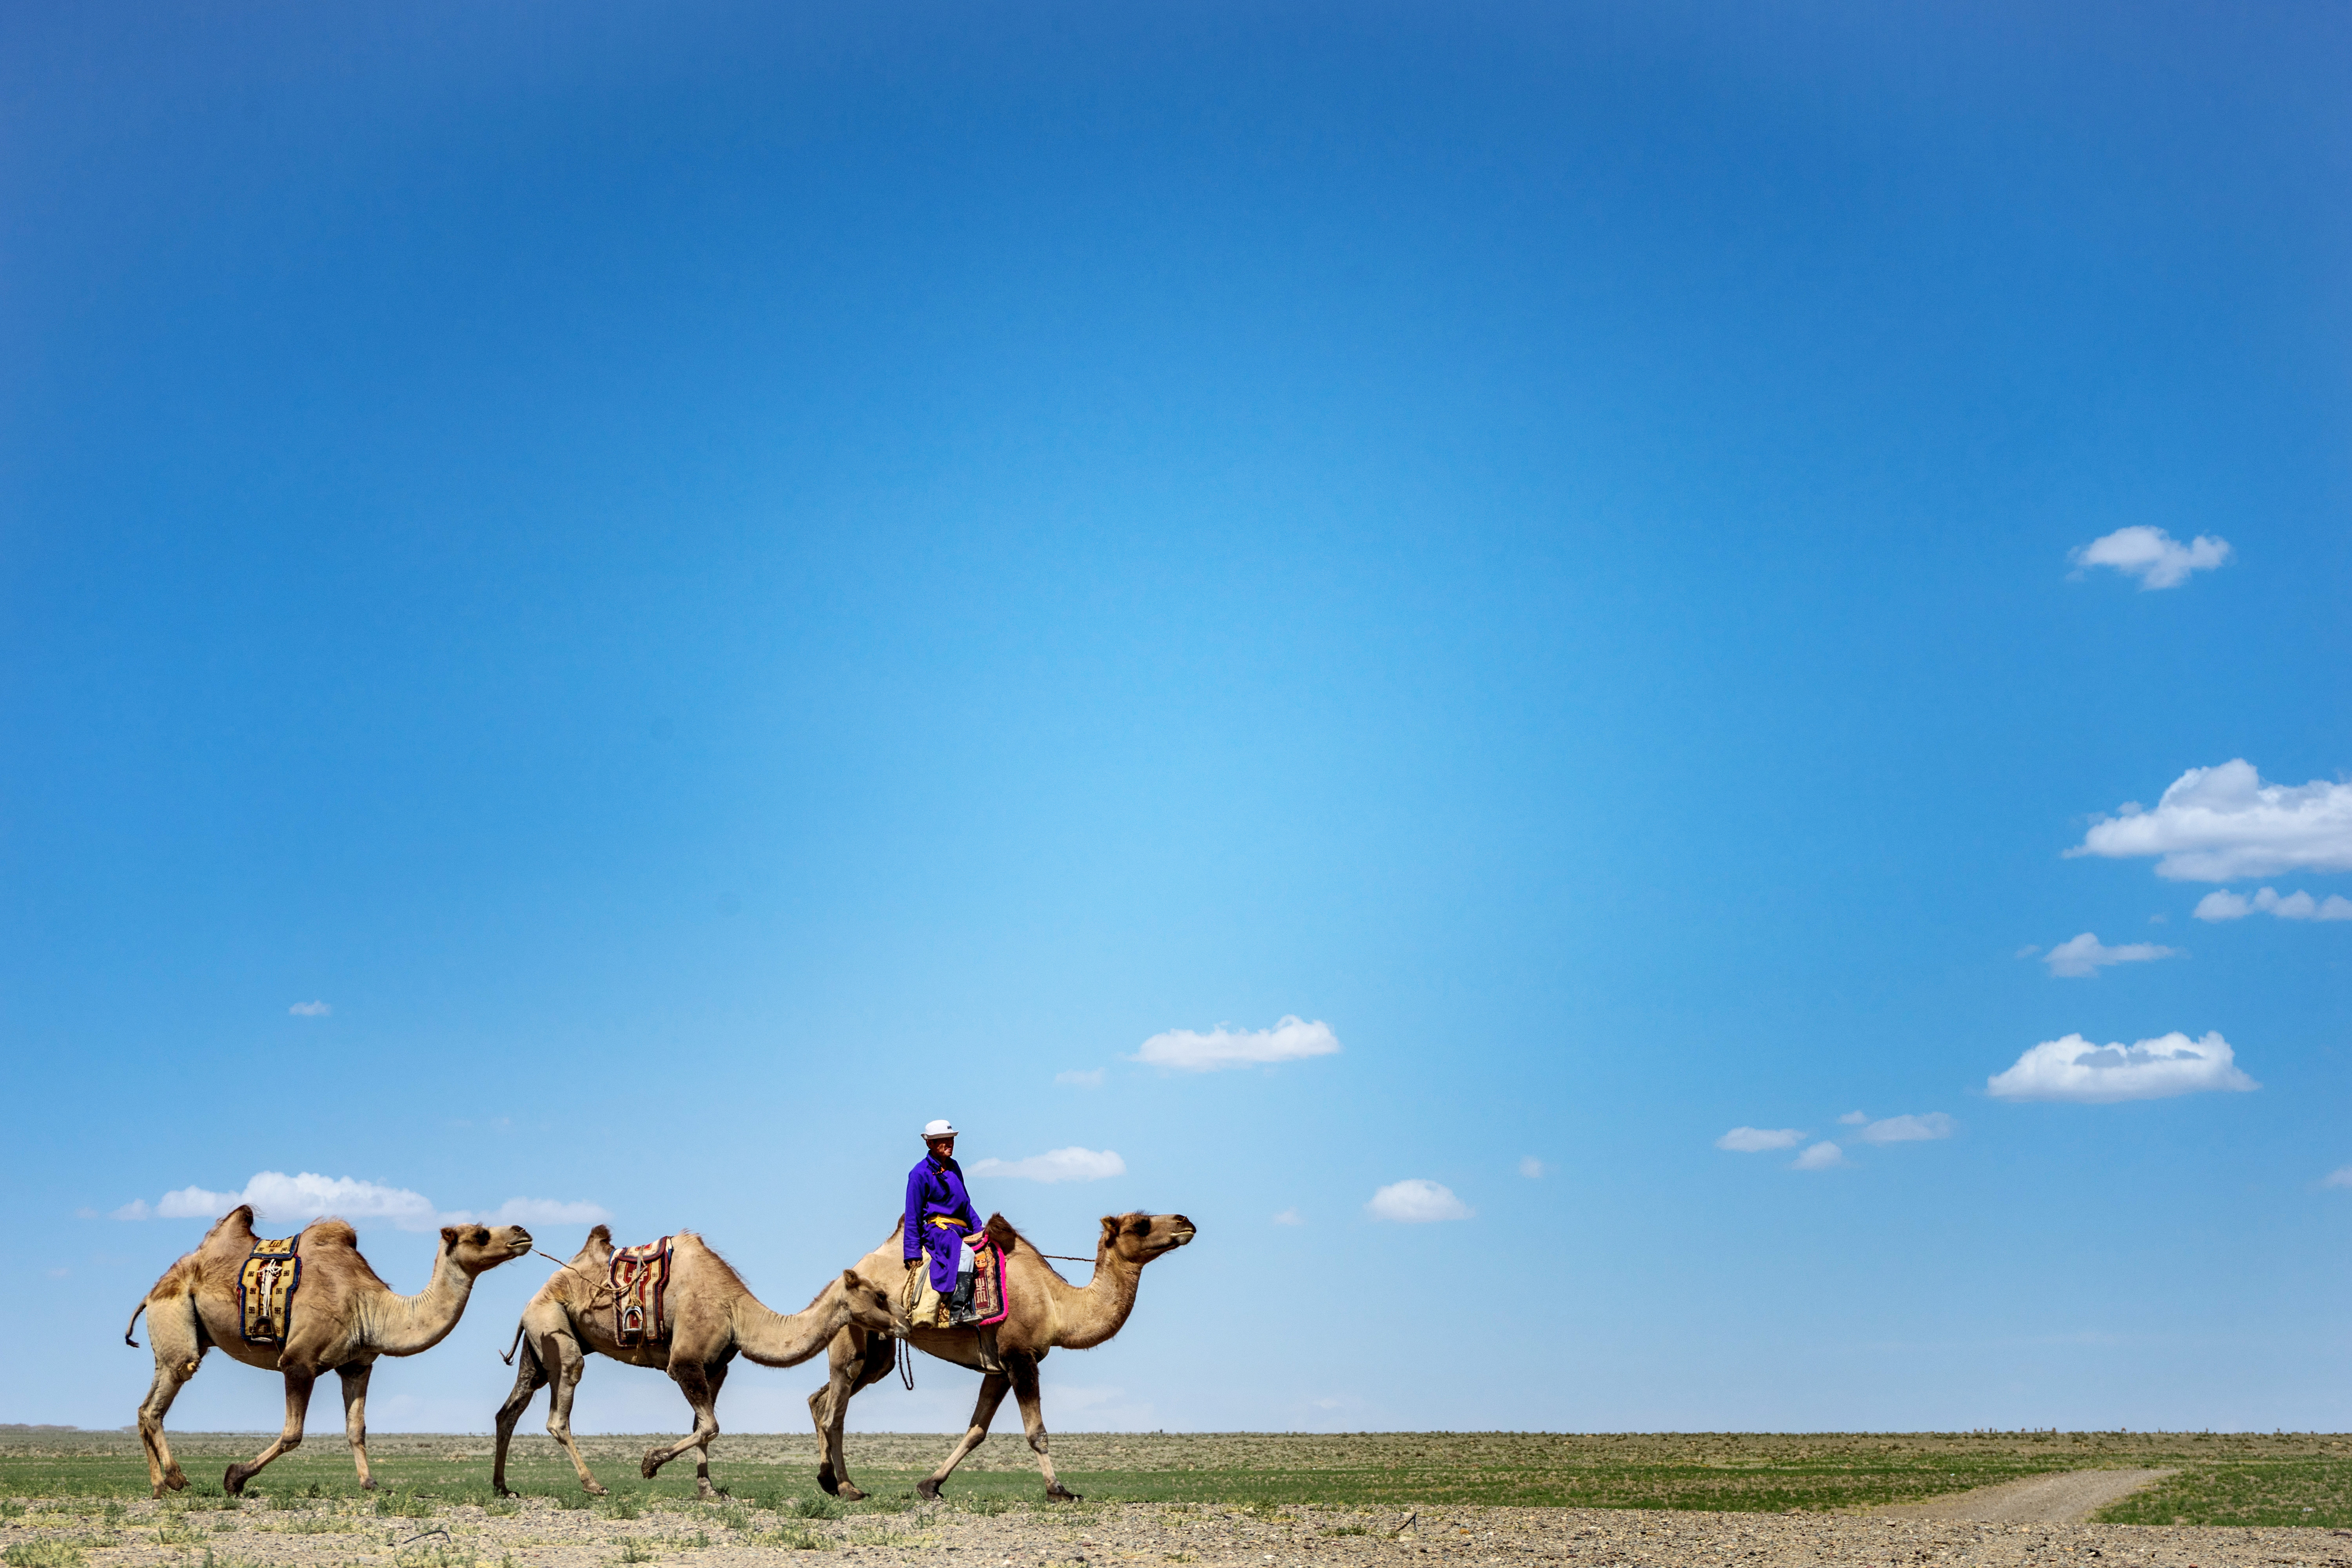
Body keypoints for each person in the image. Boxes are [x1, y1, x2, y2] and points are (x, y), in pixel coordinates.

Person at [902, 1120, 1004, 1372]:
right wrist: (912, 1251)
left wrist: (981, 1230)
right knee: (966, 1256)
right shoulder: (919, 1174)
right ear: (931, 1144)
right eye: (943, 1141)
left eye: (951, 1140)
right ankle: (959, 1311)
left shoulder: (954, 1167)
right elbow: (913, 1214)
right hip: (938, 1231)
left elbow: (966, 1203)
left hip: (961, 1227)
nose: (949, 1144)